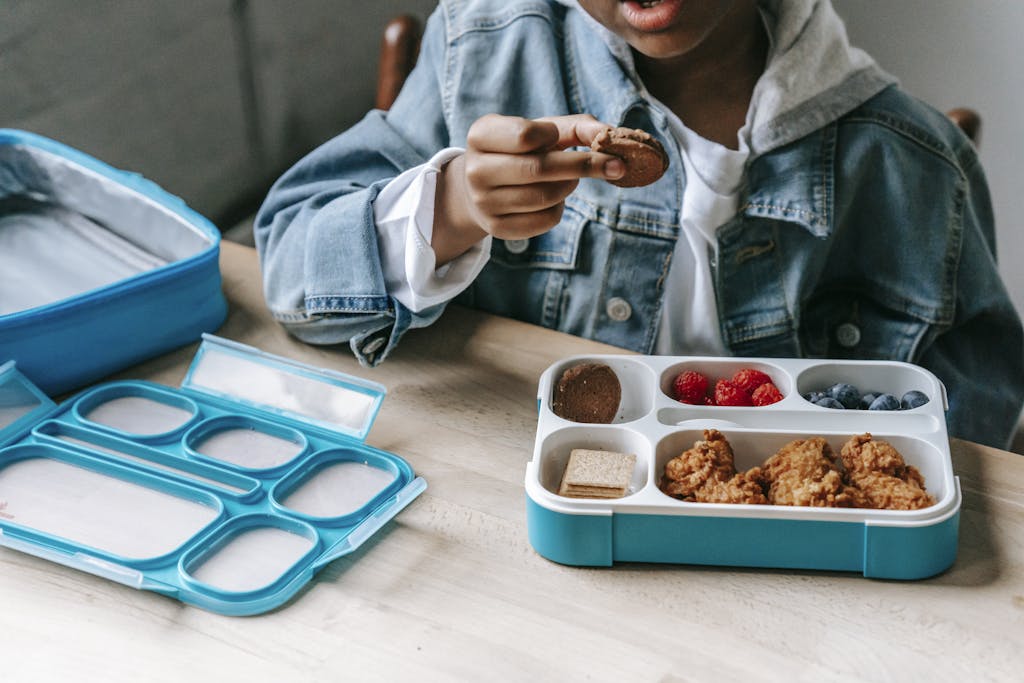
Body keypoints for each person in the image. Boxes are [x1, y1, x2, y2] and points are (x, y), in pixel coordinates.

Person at [254, 0, 1024, 449]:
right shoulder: (484, 53)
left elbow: (984, 432)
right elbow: (288, 271)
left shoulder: (911, 165)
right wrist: (450, 206)